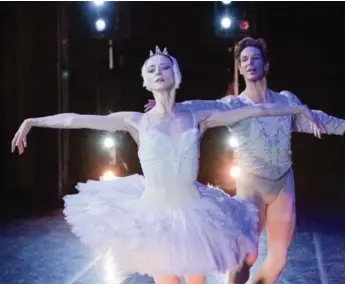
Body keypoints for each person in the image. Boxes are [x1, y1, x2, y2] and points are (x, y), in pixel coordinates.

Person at [11, 46, 324, 284]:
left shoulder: (197, 116)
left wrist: (300, 109)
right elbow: (77, 120)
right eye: (151, 69)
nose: (158, 71)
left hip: (194, 214)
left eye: (164, 67)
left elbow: (254, 112)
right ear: (146, 82)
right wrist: (32, 121)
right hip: (156, 217)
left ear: (177, 75)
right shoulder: (136, 121)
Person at [144, 38, 345, 284]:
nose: (250, 63)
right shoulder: (234, 105)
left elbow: (315, 119)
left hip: (283, 184)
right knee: (247, 258)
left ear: (266, 65)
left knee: (278, 260)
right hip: (252, 186)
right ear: (239, 68)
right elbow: (202, 107)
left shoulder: (285, 100)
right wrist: (169, 107)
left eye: (255, 58)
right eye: (244, 60)